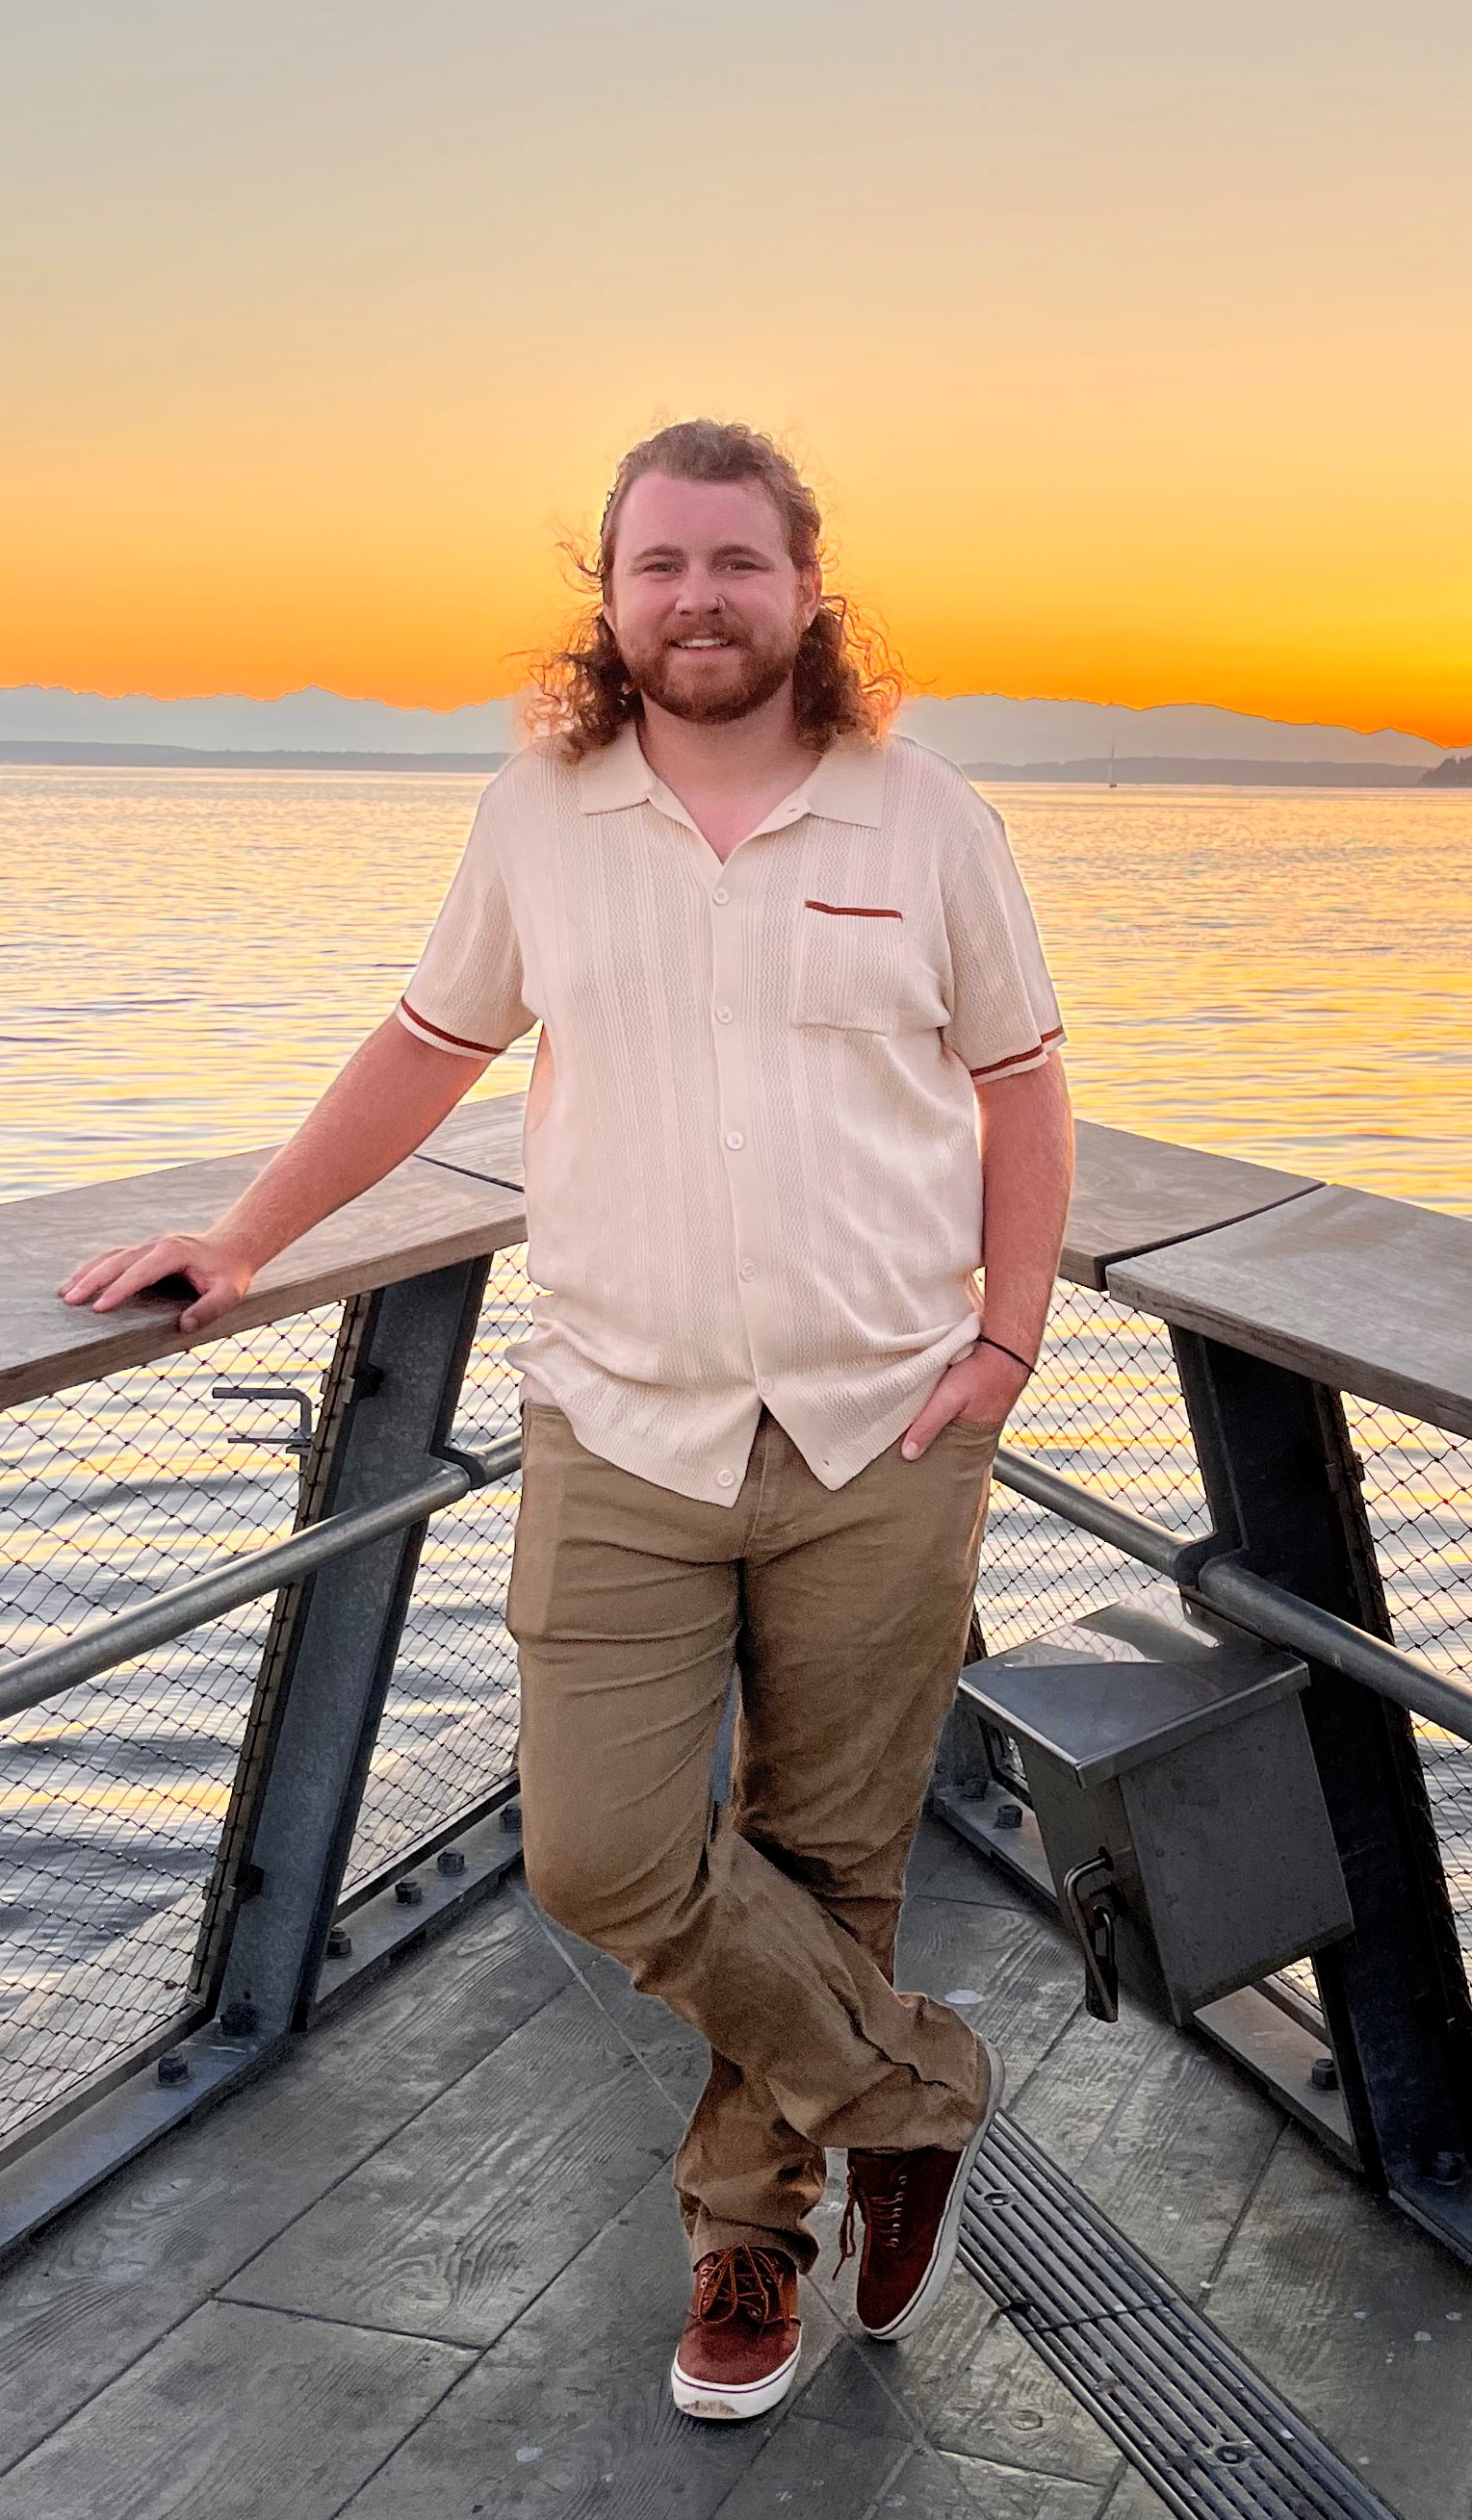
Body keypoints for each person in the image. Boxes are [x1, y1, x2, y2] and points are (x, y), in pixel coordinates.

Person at [61, 420, 1072, 2423]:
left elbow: (1024, 1084)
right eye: (661, 565)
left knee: (825, 1850)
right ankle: (915, 2088)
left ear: (806, 586)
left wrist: (1010, 1341)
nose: (700, 598)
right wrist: (247, 1234)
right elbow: (431, 1045)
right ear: (607, 597)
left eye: (737, 562)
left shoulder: (925, 818)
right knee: (600, 1847)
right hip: (621, 1417)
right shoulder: (539, 815)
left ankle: (746, 2242)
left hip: (884, 1424)